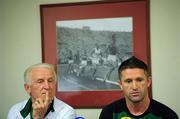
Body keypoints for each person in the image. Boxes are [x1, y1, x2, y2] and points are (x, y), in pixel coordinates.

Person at [99, 56, 179, 119]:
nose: (134, 87)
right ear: (120, 84)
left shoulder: (167, 115)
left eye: (139, 80)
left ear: (148, 81)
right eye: (128, 81)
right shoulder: (109, 113)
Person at [7, 63, 76, 119]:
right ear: (28, 88)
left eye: (50, 81)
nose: (47, 86)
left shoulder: (67, 112)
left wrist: (39, 117)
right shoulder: (15, 110)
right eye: (40, 81)